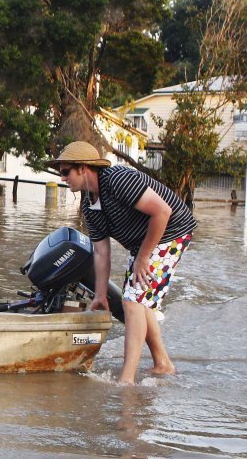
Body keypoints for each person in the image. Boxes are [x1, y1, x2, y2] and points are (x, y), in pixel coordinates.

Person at [49, 141, 196, 385]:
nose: (62, 178)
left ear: (83, 168)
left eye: (65, 172)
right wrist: (100, 294)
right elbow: (101, 252)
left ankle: (126, 379)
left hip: (172, 231)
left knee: (132, 301)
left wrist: (143, 258)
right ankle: (163, 364)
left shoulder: (118, 179)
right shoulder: (89, 204)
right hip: (144, 243)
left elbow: (162, 212)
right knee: (140, 302)